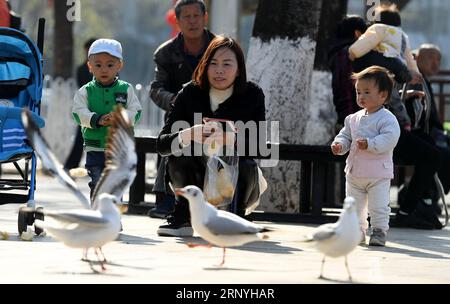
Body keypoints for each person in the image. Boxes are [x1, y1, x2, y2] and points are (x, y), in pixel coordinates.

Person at [156, 36, 265, 237]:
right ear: (204, 66)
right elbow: (162, 145)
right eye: (213, 63)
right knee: (179, 155)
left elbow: (261, 147)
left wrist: (229, 139)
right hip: (195, 171)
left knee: (247, 164)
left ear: (239, 69)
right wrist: (187, 135)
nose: (219, 70)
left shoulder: (253, 95)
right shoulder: (188, 93)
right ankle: (183, 216)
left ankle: (236, 216)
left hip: (236, 176)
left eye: (227, 64)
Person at [149, 0, 215, 219]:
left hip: (215, 112)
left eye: (196, 16)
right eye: (186, 17)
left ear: (205, 17)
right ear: (177, 21)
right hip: (179, 113)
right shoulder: (165, 53)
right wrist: (177, 100)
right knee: (173, 134)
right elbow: (157, 89)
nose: (192, 21)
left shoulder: (220, 47)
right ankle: (167, 198)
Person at [331, 66, 400, 247]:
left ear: (383, 96)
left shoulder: (387, 119)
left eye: (367, 92)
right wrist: (340, 145)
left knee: (378, 206)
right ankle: (357, 231)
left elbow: (390, 138)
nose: (361, 96)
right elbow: (345, 135)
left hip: (377, 173)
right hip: (354, 173)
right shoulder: (352, 118)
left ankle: (378, 231)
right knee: (354, 206)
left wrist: (370, 144)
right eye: (358, 92)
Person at [72, 38, 142, 199]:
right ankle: (99, 218)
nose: (104, 69)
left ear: (119, 65)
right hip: (95, 148)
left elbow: (136, 112)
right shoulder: (85, 91)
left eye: (110, 65)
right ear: (90, 66)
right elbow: (78, 113)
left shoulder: (126, 89)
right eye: (98, 65)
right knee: (97, 182)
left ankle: (114, 220)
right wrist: (96, 119)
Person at [349, 4, 421, 84]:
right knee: (390, 90)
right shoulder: (403, 36)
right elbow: (409, 58)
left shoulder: (379, 28)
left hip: (381, 64)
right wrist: (415, 73)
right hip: (397, 69)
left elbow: (367, 42)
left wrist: (353, 52)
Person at [328, 15, 368, 130]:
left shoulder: (338, 53)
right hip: (354, 121)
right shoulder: (348, 54)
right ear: (357, 34)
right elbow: (346, 88)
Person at [64, 38, 97, 173]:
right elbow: (82, 89)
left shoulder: (111, 68)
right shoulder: (82, 69)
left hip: (105, 109)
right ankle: (71, 165)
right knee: (81, 138)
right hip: (87, 109)